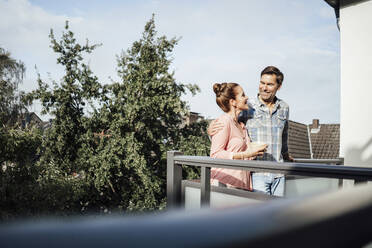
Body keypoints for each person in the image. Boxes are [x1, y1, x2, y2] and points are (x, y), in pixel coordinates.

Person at [209, 66, 293, 196]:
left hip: (279, 172)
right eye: (262, 83)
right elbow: (226, 125)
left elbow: (284, 136)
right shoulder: (249, 106)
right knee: (260, 214)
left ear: (279, 86)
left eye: (269, 84)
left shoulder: (284, 108)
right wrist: (210, 130)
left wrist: (286, 155)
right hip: (256, 173)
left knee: (277, 214)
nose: (264, 88)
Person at [210, 82, 267, 191]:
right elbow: (216, 154)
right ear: (233, 102)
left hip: (241, 185)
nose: (246, 97)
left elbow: (244, 156)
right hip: (224, 185)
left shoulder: (242, 126)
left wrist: (254, 152)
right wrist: (246, 154)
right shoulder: (224, 121)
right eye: (242, 95)